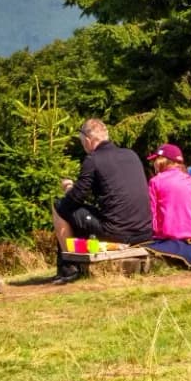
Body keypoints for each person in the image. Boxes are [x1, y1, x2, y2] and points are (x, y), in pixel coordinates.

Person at [51, 118, 153, 282]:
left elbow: (74, 200)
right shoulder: (131, 155)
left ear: (88, 141)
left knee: (59, 206)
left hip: (118, 233)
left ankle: (69, 267)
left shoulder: (93, 159)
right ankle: (75, 264)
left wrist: (69, 188)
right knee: (87, 212)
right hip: (144, 232)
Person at [145, 143, 191, 241]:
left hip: (168, 239)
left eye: (155, 160)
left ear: (161, 161)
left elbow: (152, 214)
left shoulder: (155, 182)